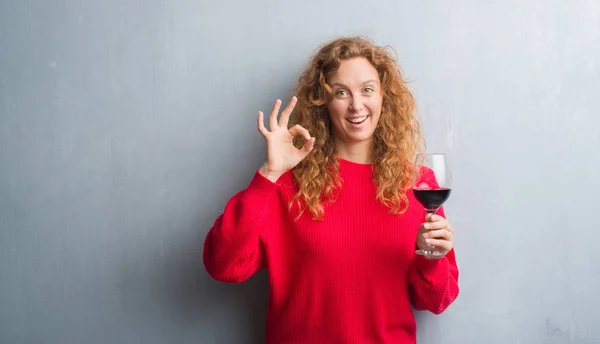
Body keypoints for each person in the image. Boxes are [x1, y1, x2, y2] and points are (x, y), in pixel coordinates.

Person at [203, 36, 459, 343]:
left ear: (384, 97)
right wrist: (269, 173)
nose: (356, 105)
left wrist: (431, 259)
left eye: (367, 89)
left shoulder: (419, 184)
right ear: (323, 102)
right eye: (341, 92)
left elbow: (435, 301)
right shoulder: (287, 183)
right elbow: (223, 265)